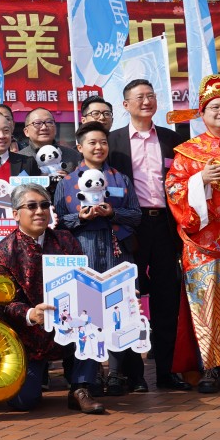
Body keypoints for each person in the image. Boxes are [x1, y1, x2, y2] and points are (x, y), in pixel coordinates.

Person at [0, 185, 105, 414]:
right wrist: (31, 314)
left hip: (70, 327)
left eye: (44, 205)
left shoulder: (65, 240)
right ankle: (36, 376)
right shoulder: (3, 252)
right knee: (24, 401)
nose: (39, 211)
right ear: (15, 214)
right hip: (30, 335)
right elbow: (3, 304)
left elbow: (85, 280)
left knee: (94, 318)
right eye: (31, 206)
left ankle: (80, 388)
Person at [107, 79, 190, 391]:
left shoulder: (172, 139)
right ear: (126, 105)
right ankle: (133, 375)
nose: (146, 101)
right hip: (129, 227)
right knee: (128, 299)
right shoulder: (112, 143)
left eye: (151, 96)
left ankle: (168, 371)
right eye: (139, 97)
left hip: (166, 226)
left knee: (168, 298)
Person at [53, 122, 145, 394]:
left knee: (122, 311)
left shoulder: (120, 179)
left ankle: (126, 376)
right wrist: (78, 217)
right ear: (79, 147)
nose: (98, 147)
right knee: (85, 315)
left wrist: (112, 214)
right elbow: (57, 223)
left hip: (117, 253)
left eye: (103, 142)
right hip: (83, 252)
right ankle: (86, 378)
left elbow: (137, 215)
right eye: (92, 142)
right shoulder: (67, 182)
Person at [165, 74, 220, 393]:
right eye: (215, 107)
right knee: (206, 303)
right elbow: (174, 187)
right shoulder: (189, 152)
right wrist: (201, 179)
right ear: (203, 114)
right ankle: (210, 367)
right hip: (204, 243)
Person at [16, 107, 81, 175]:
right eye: (37, 123)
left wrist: (68, 180)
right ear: (26, 131)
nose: (44, 127)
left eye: (49, 122)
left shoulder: (73, 156)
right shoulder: (18, 159)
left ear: (55, 129)